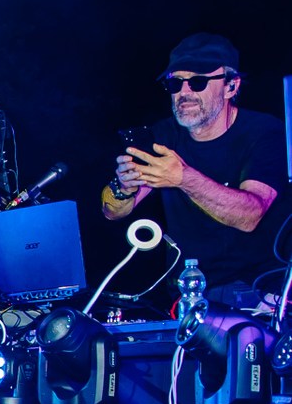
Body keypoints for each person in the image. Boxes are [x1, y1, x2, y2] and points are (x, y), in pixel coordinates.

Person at [102, 32, 286, 306]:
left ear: (231, 86)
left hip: (256, 291)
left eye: (198, 81)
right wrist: (123, 188)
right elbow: (111, 212)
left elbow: (249, 215)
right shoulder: (163, 135)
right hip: (190, 289)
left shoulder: (264, 133)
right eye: (175, 83)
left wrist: (184, 178)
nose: (184, 93)